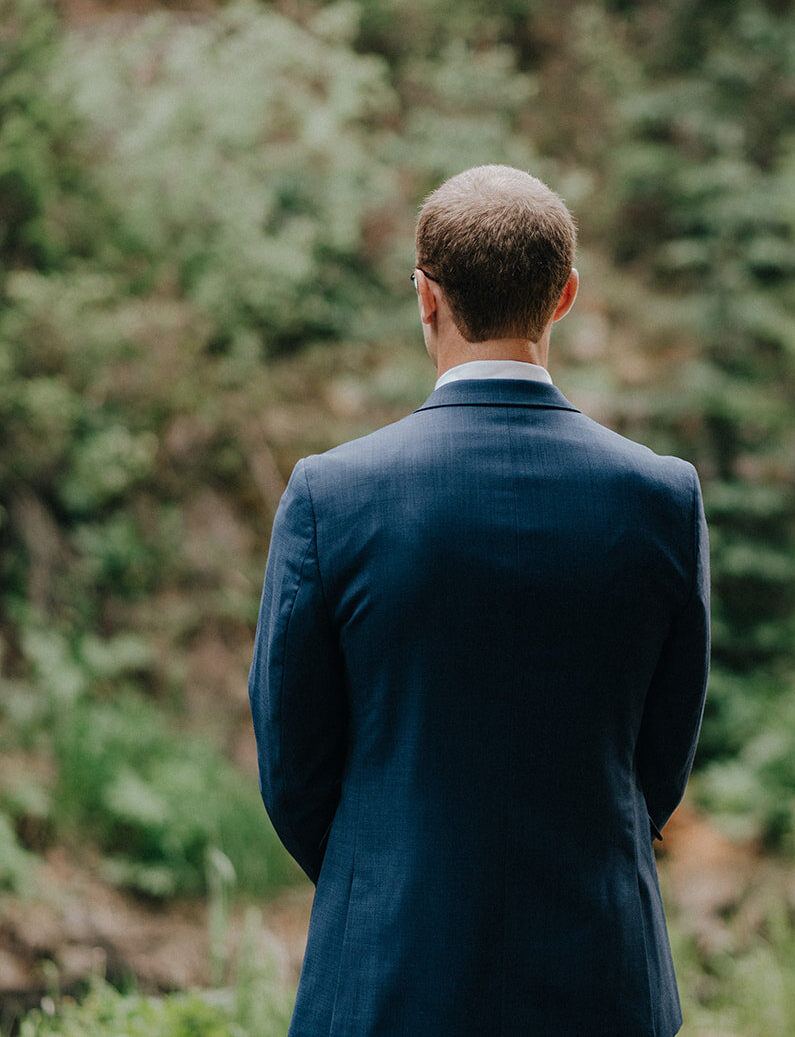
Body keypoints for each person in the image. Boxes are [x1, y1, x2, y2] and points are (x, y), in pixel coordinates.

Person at [248, 164, 710, 1036]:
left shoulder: (331, 495)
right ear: (565, 297)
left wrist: (383, 878)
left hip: (388, 971)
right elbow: (661, 760)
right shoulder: (660, 496)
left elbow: (293, 765)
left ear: (425, 297)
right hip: (598, 973)